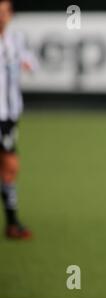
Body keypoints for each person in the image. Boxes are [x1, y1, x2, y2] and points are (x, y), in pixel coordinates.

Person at [0, 0, 36, 239]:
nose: (2, 16)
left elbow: (33, 62)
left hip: (8, 117)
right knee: (10, 165)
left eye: (5, 11)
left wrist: (27, 63)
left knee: (10, 167)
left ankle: (12, 222)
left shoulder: (16, 39)